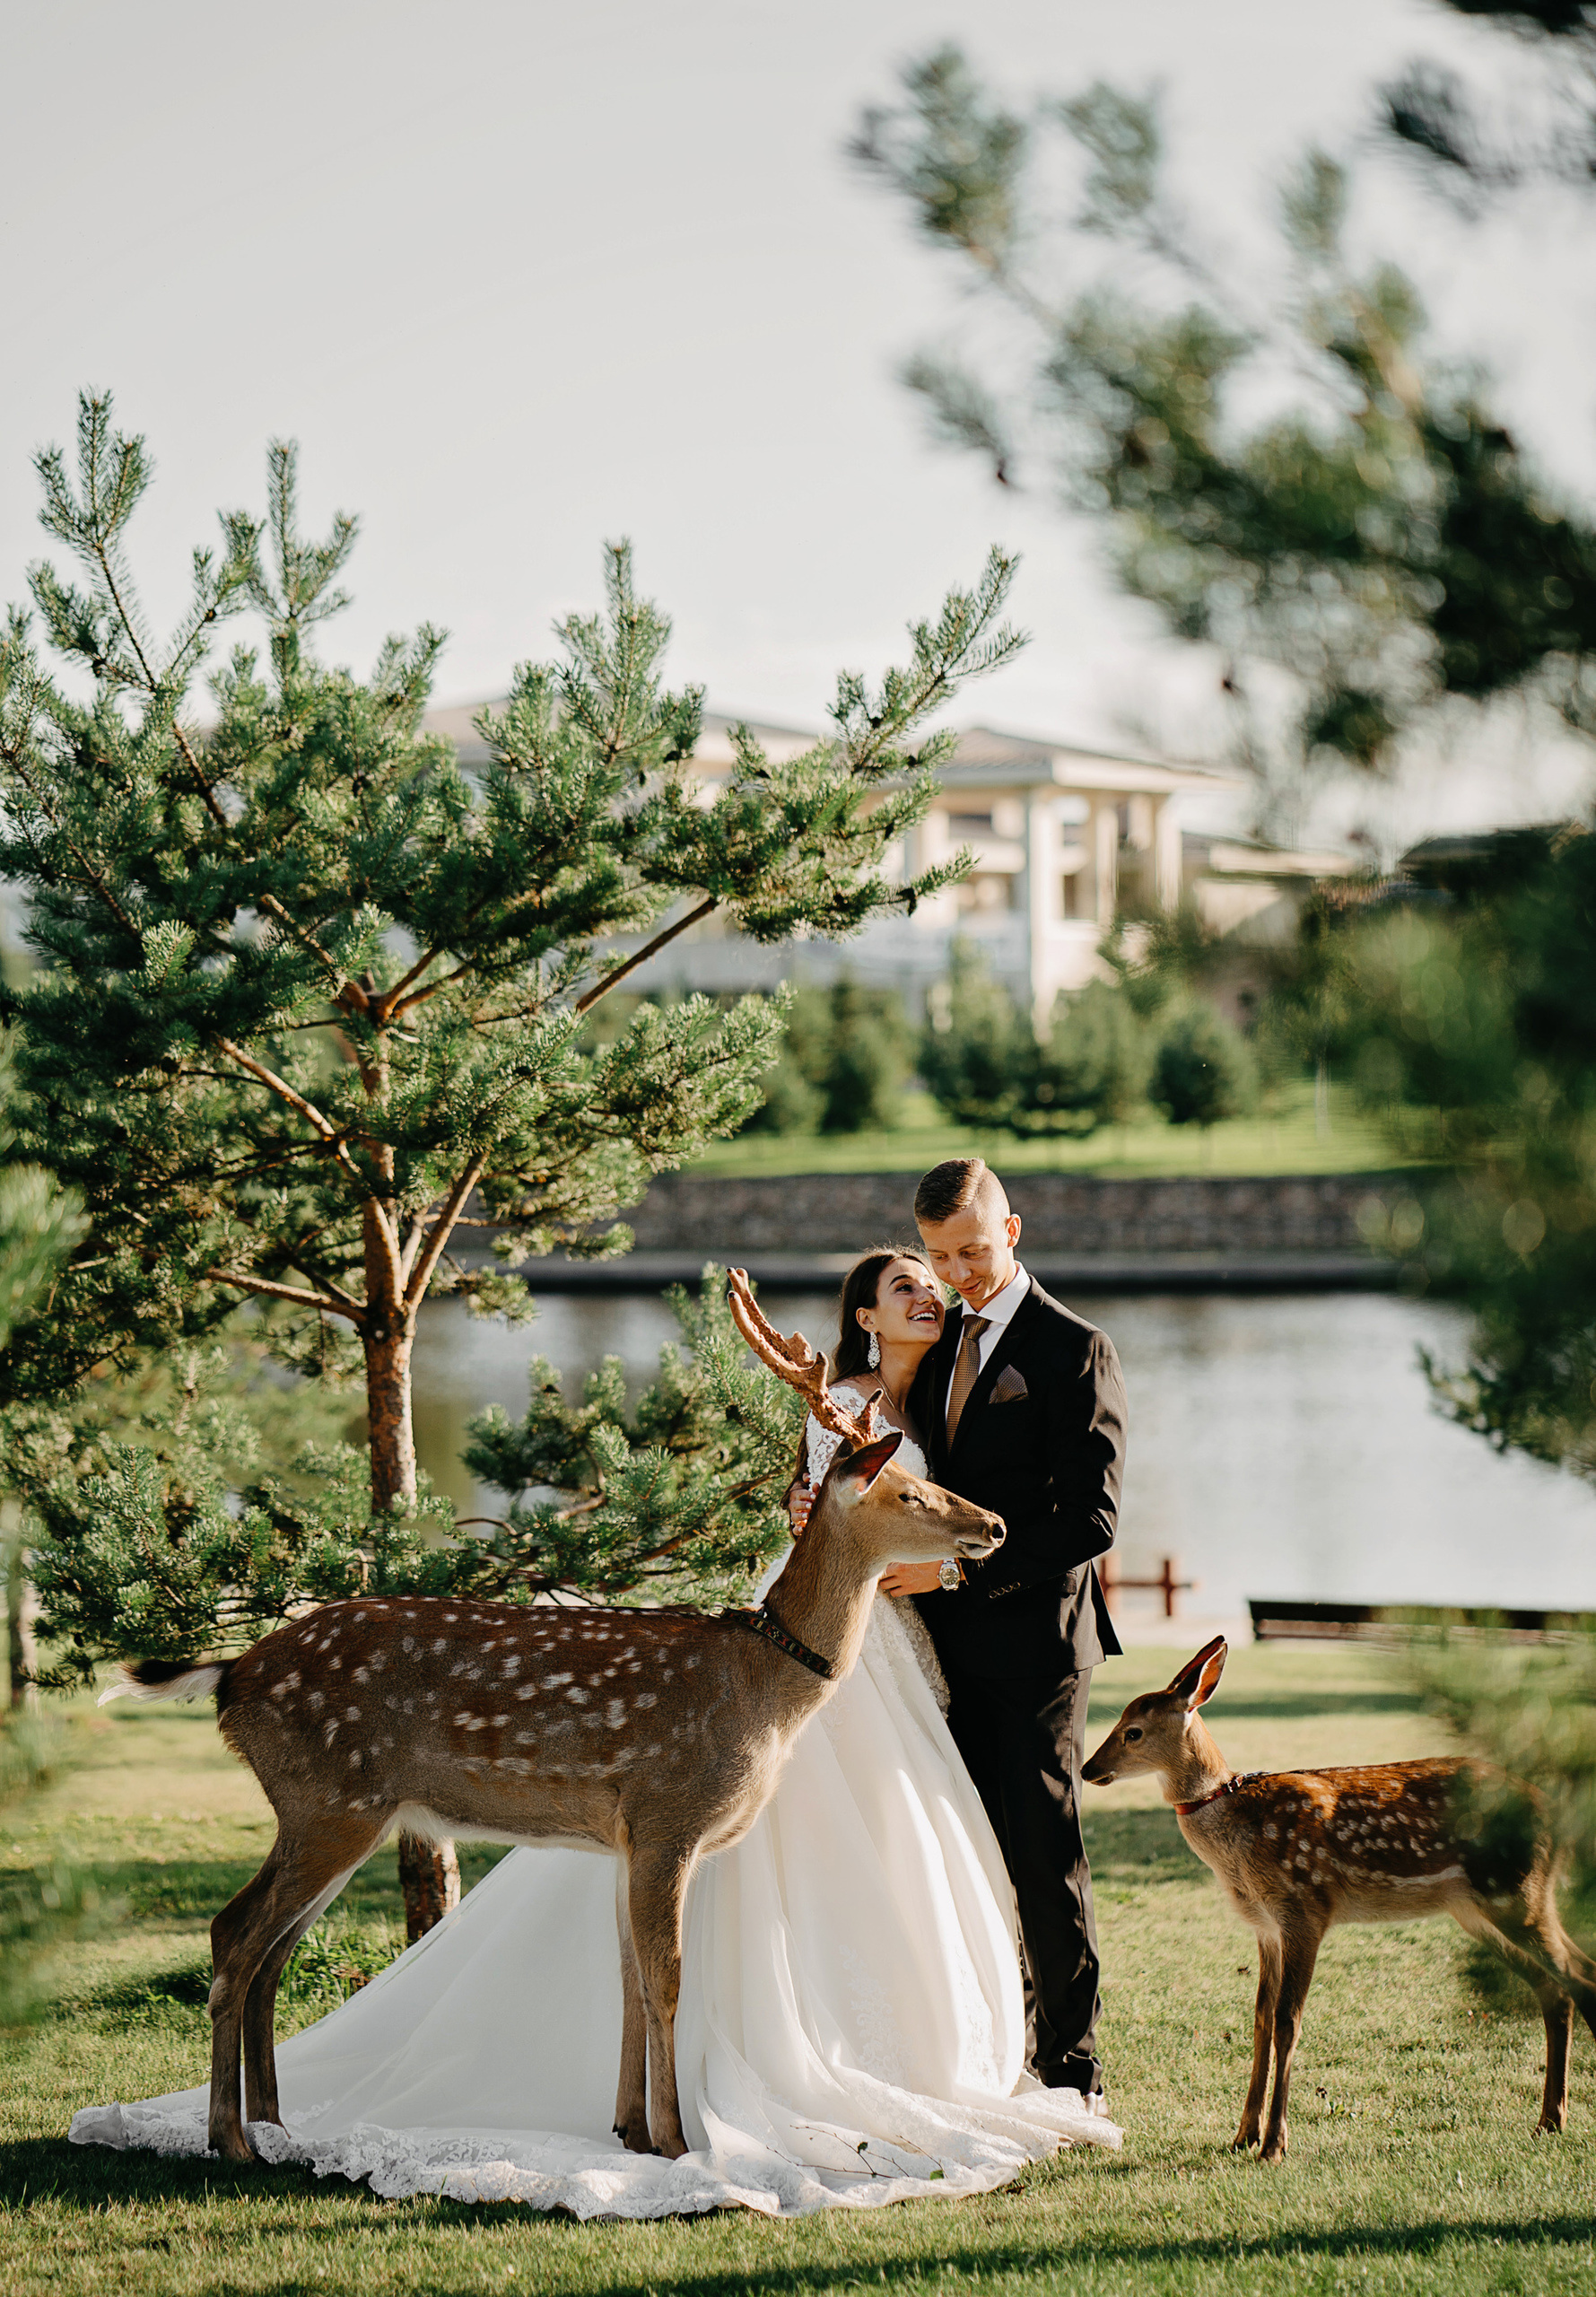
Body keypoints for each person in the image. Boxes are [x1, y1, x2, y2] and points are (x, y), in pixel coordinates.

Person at [71, 1248, 1119, 2220]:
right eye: (904, 1282)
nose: (927, 1293)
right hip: (600, 1671)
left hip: (838, 1644)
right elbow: (833, 1496)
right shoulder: (853, 1424)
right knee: (287, 1902)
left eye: (931, 1278)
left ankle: (701, 2086)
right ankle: (240, 2114)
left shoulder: (915, 1396)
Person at [900, 1158, 1127, 2107]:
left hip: (1036, 1650)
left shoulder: (1075, 1347)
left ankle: (1070, 2067)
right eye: (940, 1255)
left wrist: (958, 1568)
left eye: (974, 1249)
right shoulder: (930, 1342)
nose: (958, 1271)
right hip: (937, 1656)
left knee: (1041, 1857)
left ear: (1014, 1231)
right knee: (962, 1857)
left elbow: (1091, 1522)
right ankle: (998, 2039)